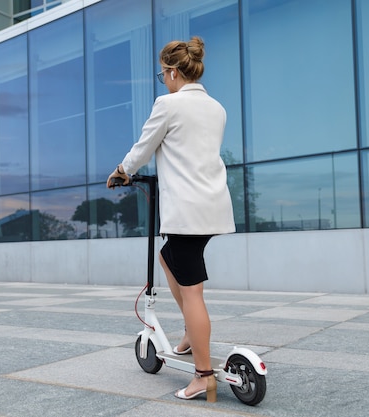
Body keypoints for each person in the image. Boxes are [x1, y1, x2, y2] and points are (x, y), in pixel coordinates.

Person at [107, 36, 235, 402]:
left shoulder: (169, 104)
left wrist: (122, 170)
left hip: (187, 212)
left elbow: (144, 147)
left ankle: (203, 376)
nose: (163, 80)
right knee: (169, 259)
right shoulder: (217, 108)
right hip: (212, 207)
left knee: (191, 289)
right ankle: (189, 336)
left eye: (163, 73)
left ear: (174, 72)